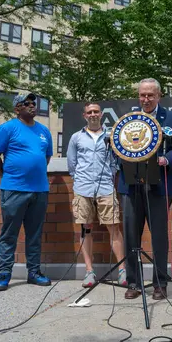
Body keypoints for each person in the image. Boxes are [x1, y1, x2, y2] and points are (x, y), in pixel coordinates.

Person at [118, 78, 172, 300]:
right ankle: (134, 283)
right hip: (131, 185)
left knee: (159, 236)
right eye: (142, 95)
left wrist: (167, 159)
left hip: (159, 185)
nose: (146, 99)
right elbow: (118, 148)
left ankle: (160, 283)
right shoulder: (129, 119)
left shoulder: (171, 118)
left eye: (150, 95)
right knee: (130, 236)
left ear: (159, 96)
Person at [0, 92, 52, 291]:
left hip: (39, 190)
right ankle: (4, 273)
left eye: (34, 103)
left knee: (34, 234)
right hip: (14, 189)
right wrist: (5, 174)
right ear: (17, 108)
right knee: (9, 233)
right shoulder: (7, 128)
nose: (32, 106)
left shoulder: (44, 131)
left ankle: (34, 272)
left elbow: (46, 157)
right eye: (27, 103)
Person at [67, 102, 127, 288]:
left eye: (96, 111)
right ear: (84, 116)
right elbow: (72, 165)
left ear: (101, 114)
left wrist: (109, 177)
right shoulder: (76, 138)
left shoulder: (110, 137)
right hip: (83, 189)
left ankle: (123, 271)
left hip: (105, 189)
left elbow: (115, 162)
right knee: (86, 229)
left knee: (114, 228)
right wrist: (80, 180)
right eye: (89, 112)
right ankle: (89, 272)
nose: (93, 114)